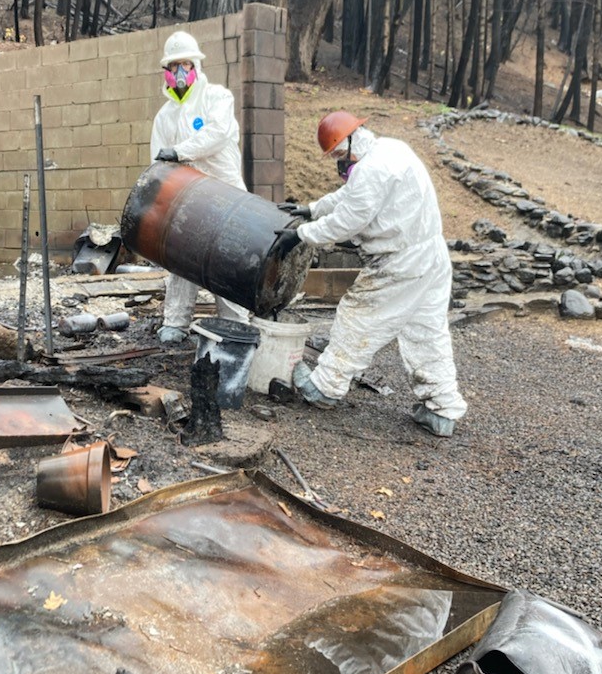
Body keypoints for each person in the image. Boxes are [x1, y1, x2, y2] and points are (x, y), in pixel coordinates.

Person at [275, 110, 467, 436]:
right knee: (427, 333)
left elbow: (349, 220)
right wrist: (312, 209)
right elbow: (350, 195)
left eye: (339, 153)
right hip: (431, 256)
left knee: (357, 316)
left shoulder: (371, 169)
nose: (339, 161)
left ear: (353, 140)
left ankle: (325, 387)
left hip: (400, 262)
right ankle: (442, 410)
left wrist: (301, 234)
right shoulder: (390, 149)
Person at [150, 29, 249, 343]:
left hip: (226, 197)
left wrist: (180, 152)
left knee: (226, 261)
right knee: (182, 259)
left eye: (185, 65)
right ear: (166, 71)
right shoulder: (164, 117)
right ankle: (175, 323)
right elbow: (158, 164)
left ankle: (235, 324)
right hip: (188, 201)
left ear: (196, 66)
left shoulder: (217, 97)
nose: (180, 73)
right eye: (173, 66)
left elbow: (216, 134)